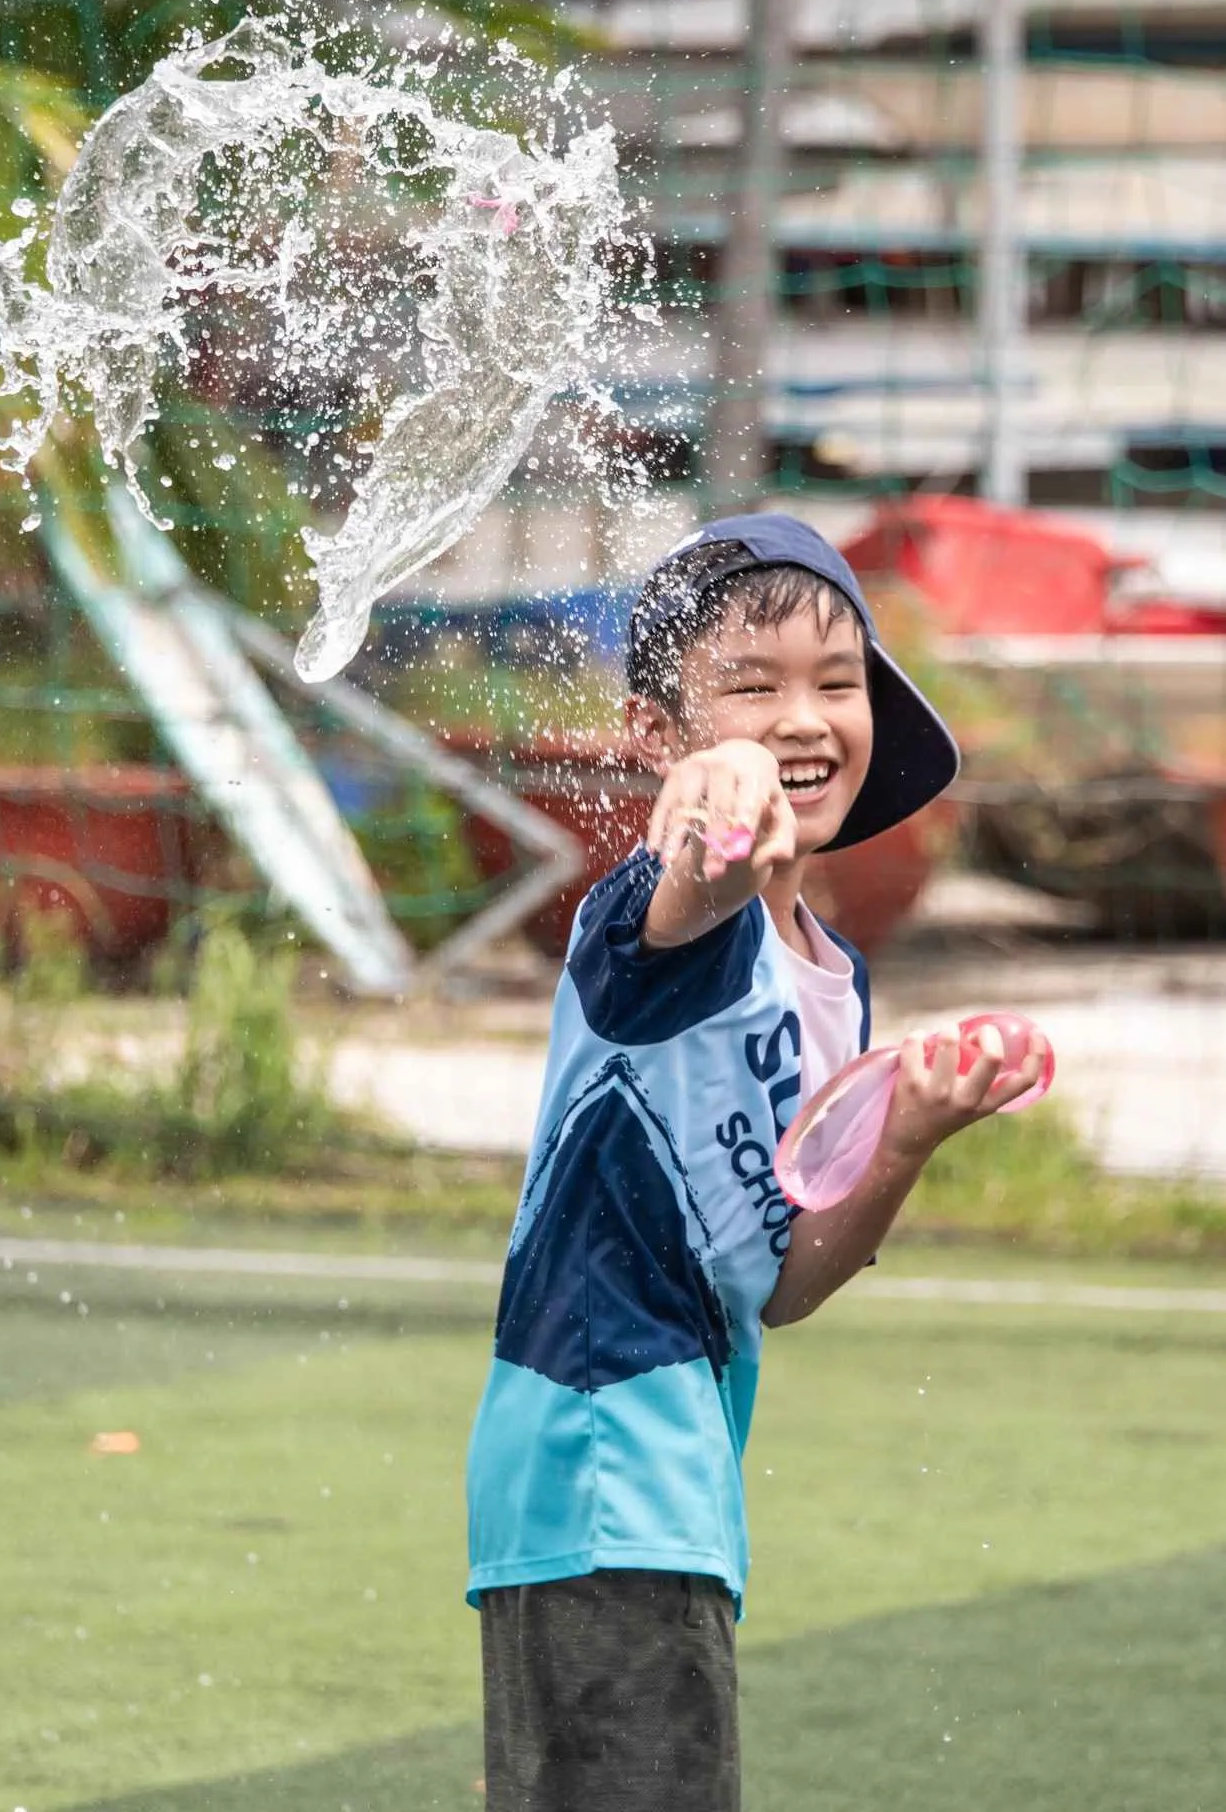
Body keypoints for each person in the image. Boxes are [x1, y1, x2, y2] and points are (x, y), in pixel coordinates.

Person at [465, 513, 1048, 1812]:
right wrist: (717, 805)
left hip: (671, 1492)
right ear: (654, 736)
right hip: (598, 1460)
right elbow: (701, 867)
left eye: (834, 685)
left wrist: (904, 1134)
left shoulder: (833, 986)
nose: (800, 719)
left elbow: (782, 1279)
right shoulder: (653, 919)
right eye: (748, 687)